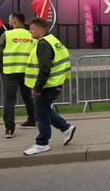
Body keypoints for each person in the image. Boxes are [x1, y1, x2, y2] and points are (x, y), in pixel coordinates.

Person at [22, 18, 76, 155]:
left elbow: (45, 68)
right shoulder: (53, 40)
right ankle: (66, 128)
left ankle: (42, 143)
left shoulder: (43, 44)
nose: (30, 31)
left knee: (41, 115)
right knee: (44, 110)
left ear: (41, 30)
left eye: (32, 28)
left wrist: (37, 88)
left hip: (47, 85)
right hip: (54, 83)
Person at [0, 12, 36, 138]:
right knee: (28, 96)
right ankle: (32, 120)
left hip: (9, 72)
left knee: (9, 100)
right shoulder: (32, 35)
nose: (9, 23)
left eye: (9, 20)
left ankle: (9, 129)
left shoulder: (6, 34)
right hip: (27, 72)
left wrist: (2, 71)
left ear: (14, 22)